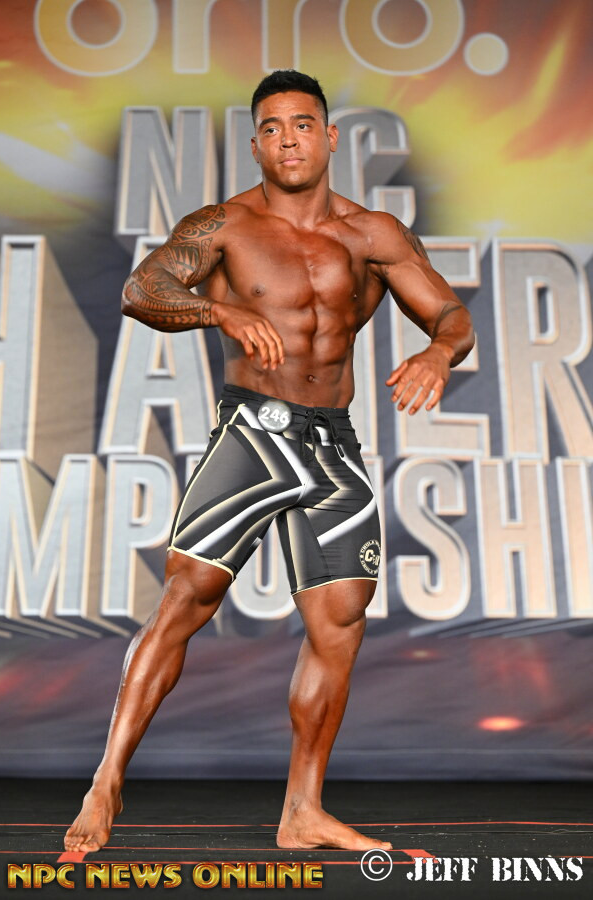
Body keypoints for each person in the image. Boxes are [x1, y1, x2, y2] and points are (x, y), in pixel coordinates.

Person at [65, 70, 474, 854]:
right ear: (255, 145)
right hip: (253, 432)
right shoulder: (224, 225)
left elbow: (451, 314)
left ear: (329, 137)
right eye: (272, 128)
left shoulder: (374, 234)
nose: (288, 140)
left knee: (340, 621)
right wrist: (219, 308)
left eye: (302, 124)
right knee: (186, 598)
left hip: (332, 443)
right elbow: (142, 289)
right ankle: (106, 779)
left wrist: (438, 353)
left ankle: (303, 811)